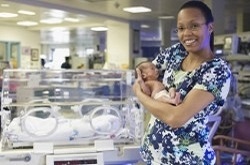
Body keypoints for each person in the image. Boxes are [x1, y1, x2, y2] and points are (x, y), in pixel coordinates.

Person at [133, 1, 231, 164]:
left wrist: (140, 94)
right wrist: (144, 90)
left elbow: (176, 118)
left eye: (194, 26)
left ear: (210, 27)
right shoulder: (175, 53)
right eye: (181, 28)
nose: (186, 34)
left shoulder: (216, 70)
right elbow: (141, 76)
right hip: (153, 157)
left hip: (187, 160)